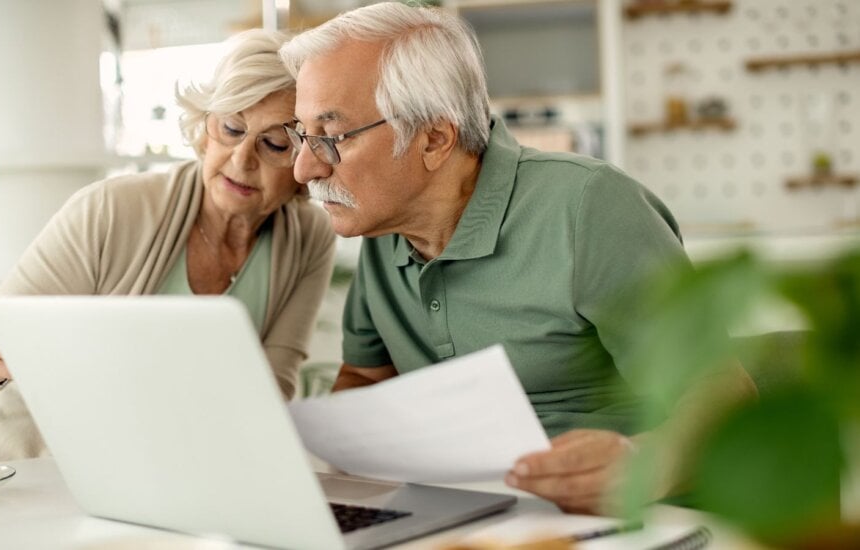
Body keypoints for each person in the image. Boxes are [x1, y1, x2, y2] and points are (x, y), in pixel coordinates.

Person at [278, 2, 757, 514]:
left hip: (629, 519)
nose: (304, 168)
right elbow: (366, 378)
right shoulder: (382, 226)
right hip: (470, 515)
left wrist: (642, 465)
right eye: (302, 134)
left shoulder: (589, 208)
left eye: (331, 137)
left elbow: (724, 395)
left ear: (434, 139)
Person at [0, 29, 336, 460]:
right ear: (204, 129)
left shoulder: (308, 238)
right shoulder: (111, 209)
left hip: (181, 472)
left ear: (307, 157)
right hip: (35, 467)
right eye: (231, 127)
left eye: (275, 143)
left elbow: (271, 389)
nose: (241, 159)